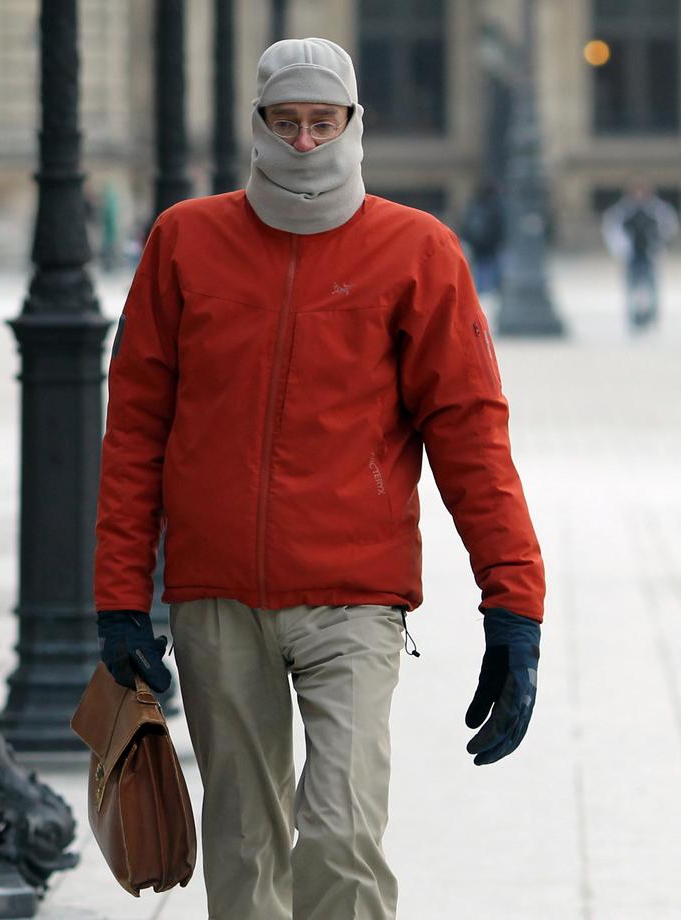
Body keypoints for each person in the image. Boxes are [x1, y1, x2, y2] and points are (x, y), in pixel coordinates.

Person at [92, 38, 544, 920]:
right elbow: (135, 433)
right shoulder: (186, 241)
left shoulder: (418, 250)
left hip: (354, 599)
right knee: (243, 843)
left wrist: (514, 606)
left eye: (322, 122)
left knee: (341, 833)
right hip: (218, 598)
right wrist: (120, 600)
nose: (304, 142)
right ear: (258, 124)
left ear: (351, 124)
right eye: (287, 122)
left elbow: (471, 436)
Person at [602, 182, 678, 331]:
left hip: (649, 253)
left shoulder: (657, 210)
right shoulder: (623, 210)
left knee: (651, 286)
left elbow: (668, 226)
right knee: (632, 286)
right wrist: (620, 248)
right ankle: (634, 318)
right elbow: (613, 229)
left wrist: (660, 244)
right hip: (632, 254)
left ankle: (651, 316)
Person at [459, 180, 505, 295]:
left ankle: (481, 292)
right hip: (491, 244)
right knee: (491, 267)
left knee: (480, 268)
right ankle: (490, 291)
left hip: (477, 244)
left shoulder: (475, 204)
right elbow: (499, 225)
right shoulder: (496, 205)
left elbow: (466, 223)